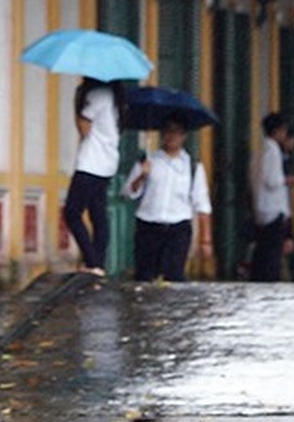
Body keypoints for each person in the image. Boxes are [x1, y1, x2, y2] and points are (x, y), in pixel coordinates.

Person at [122, 114, 213, 282]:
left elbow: (202, 203)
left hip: (178, 229)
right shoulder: (148, 160)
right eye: (168, 131)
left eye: (176, 132)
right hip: (149, 227)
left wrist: (205, 240)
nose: (171, 136)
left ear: (184, 136)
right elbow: (128, 192)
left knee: (174, 278)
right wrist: (142, 176)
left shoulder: (192, 166)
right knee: (145, 277)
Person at [63, 78, 125, 277]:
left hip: (90, 163)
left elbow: (84, 129)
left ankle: (92, 262)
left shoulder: (96, 95)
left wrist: (77, 102)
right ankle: (98, 262)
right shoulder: (116, 98)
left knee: (72, 212)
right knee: (98, 215)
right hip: (107, 164)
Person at [249, 111, 294, 282]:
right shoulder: (272, 150)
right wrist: (287, 180)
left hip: (260, 206)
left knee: (262, 251)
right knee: (271, 255)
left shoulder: (259, 150)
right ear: (278, 131)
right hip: (273, 209)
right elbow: (272, 180)